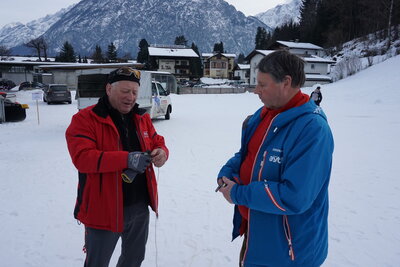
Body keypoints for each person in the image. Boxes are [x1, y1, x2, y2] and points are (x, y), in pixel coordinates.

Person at [216, 50, 334, 267]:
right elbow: (247, 155)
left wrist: (238, 194)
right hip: (257, 233)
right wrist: (226, 171)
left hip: (288, 251)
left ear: (286, 82)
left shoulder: (312, 130)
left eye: (262, 84)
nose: (255, 90)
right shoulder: (264, 115)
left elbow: (294, 196)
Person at [65, 67, 168, 267]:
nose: (131, 97)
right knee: (97, 262)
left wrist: (162, 152)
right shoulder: (85, 119)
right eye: (125, 91)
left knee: (133, 260)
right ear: (109, 89)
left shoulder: (141, 118)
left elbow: (157, 141)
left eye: (135, 92)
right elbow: (83, 158)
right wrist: (126, 160)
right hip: (103, 210)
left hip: (139, 207)